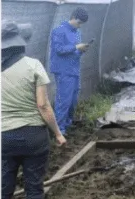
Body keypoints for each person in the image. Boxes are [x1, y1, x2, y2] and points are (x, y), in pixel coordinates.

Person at [1, 19, 66, 199]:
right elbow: (43, 105)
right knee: (34, 187)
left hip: (4, 138)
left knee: (4, 188)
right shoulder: (33, 65)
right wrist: (57, 133)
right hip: (33, 137)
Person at [48, 8, 89, 136]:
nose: (80, 25)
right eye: (79, 22)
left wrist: (80, 51)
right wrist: (76, 47)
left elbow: (73, 51)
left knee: (73, 99)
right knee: (64, 100)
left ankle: (67, 124)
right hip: (63, 70)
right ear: (73, 17)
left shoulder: (77, 32)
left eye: (82, 23)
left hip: (73, 69)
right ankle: (59, 129)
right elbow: (59, 49)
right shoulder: (59, 30)